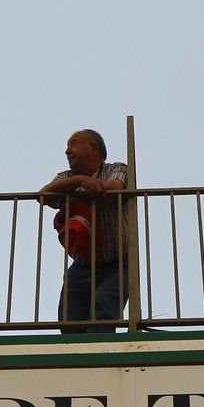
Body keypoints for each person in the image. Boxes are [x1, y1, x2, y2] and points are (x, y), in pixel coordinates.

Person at [39, 128, 130, 332]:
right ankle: (73, 352)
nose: (67, 151)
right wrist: (81, 181)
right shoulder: (65, 177)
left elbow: (112, 189)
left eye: (73, 144)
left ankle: (100, 351)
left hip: (118, 263)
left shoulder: (116, 168)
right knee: (69, 318)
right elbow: (43, 196)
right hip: (82, 265)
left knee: (104, 309)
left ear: (93, 147)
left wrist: (75, 194)